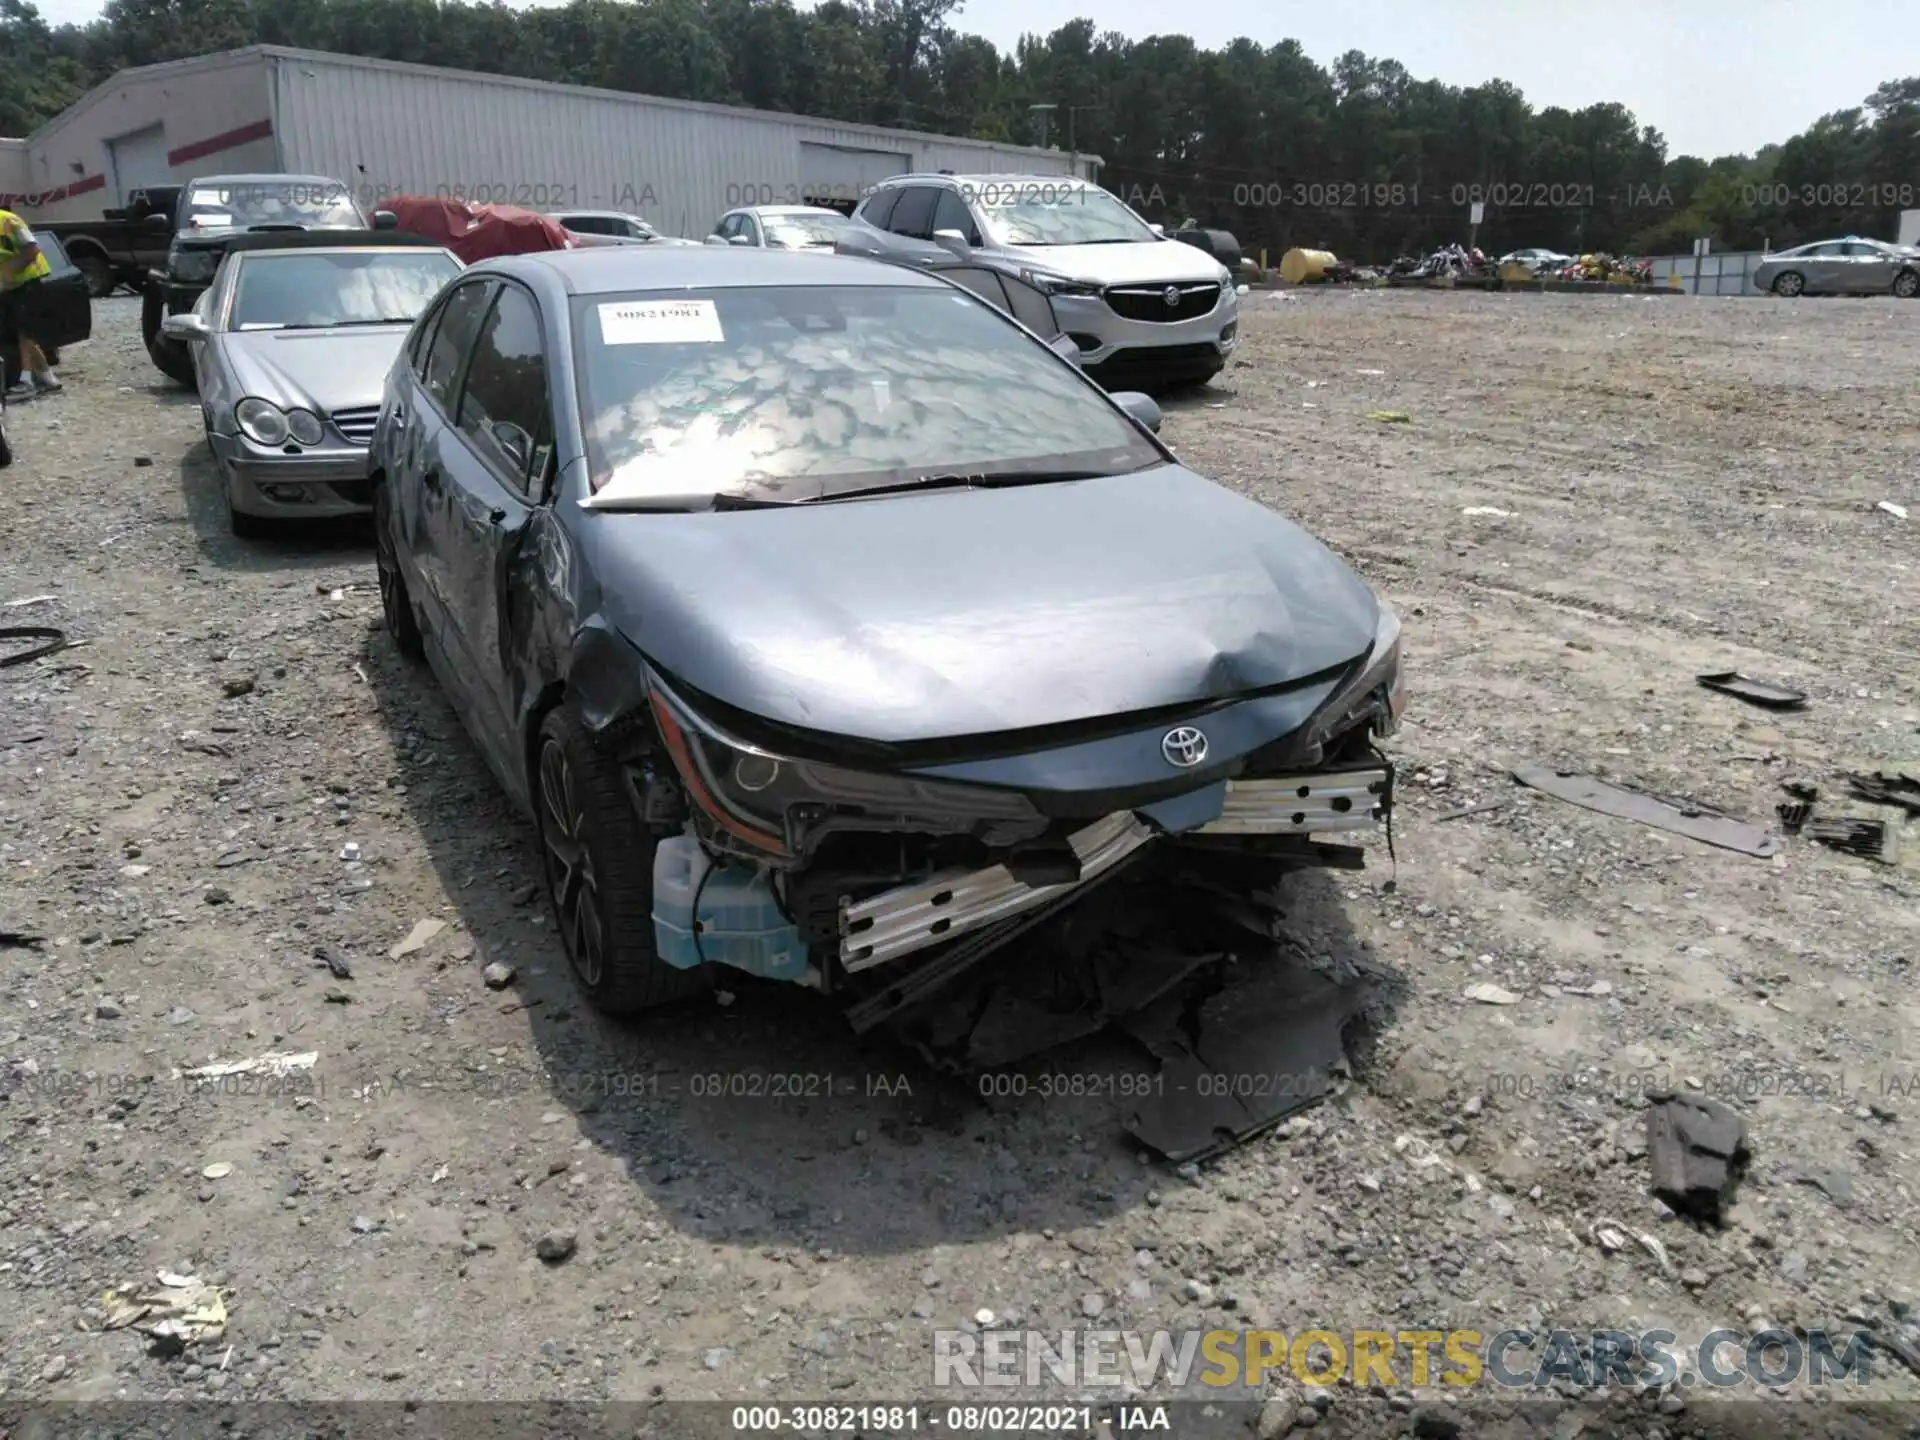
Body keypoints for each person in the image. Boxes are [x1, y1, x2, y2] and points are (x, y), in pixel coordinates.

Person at [0, 206, 62, 397]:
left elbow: (32, 249)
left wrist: (11, 269)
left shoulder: (9, 221)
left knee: (24, 332)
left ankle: (25, 381)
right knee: (23, 332)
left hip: (30, 280)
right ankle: (47, 378)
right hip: (11, 286)